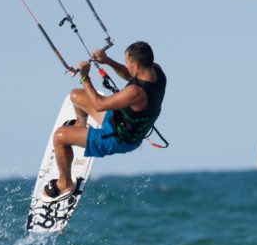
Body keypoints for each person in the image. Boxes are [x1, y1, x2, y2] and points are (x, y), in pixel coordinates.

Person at [41, 41, 167, 202]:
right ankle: (80, 127)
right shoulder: (156, 71)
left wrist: (85, 76)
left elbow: (99, 105)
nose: (127, 66)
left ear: (135, 64)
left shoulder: (135, 92)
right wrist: (107, 61)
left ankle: (65, 183)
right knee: (75, 96)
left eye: (128, 63)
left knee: (59, 137)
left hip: (118, 138)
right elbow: (130, 75)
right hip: (117, 118)